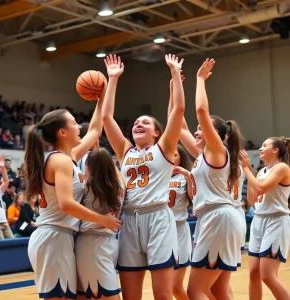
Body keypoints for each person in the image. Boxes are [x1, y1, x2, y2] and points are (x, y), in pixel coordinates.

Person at [25, 85, 121, 299]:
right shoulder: (60, 160)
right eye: (74, 123)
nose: (80, 127)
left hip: (61, 236)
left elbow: (95, 129)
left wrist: (101, 96)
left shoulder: (68, 157)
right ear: (62, 132)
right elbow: (66, 204)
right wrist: (101, 220)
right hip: (53, 237)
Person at [102, 53, 185, 300]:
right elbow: (107, 118)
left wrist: (174, 74)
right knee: (131, 296)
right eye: (136, 122)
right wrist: (113, 79)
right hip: (129, 220)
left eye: (146, 123)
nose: (139, 124)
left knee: (162, 294)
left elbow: (178, 109)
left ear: (157, 132)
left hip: (158, 217)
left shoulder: (165, 148)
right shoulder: (125, 151)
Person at [174, 59, 244, 299]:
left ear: (216, 135)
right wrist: (175, 88)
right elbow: (178, 124)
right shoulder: (203, 155)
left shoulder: (217, 150)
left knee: (196, 290)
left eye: (200, 128)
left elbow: (202, 111)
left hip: (217, 218)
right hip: (219, 218)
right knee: (218, 289)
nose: (195, 131)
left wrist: (200, 79)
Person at [240, 137, 290, 300]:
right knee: (254, 272)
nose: (260, 148)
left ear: (275, 150)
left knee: (267, 275)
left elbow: (261, 188)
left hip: (276, 220)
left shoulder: (282, 168)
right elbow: (252, 201)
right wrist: (251, 174)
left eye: (264, 145)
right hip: (259, 220)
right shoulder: (262, 172)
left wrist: (246, 170)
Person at [75, 148, 125, 300]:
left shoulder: (86, 185)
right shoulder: (120, 183)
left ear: (88, 166)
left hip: (91, 243)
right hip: (107, 242)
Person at [168, 144, 193, 300]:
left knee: (175, 287)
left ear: (182, 158)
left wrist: (188, 176)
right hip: (160, 230)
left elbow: (194, 197)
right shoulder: (157, 176)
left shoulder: (185, 177)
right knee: (165, 288)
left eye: (175, 155)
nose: (171, 158)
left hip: (178, 230)